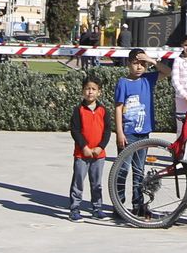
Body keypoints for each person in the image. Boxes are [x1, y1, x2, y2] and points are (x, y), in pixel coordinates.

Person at [112, 48, 170, 218]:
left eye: (142, 64)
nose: (139, 67)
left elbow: (168, 72)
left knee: (139, 171)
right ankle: (119, 203)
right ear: (129, 64)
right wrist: (119, 132)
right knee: (122, 169)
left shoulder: (148, 79)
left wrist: (151, 60)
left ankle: (138, 204)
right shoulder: (123, 82)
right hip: (128, 133)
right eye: (136, 63)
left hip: (143, 133)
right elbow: (118, 108)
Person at [68, 77, 113, 221]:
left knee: (97, 183)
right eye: (87, 89)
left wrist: (100, 147)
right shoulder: (78, 110)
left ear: (99, 92)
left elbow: (107, 131)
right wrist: (84, 147)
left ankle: (97, 208)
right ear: (83, 91)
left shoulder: (103, 110)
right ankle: (75, 209)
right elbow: (75, 130)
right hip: (82, 154)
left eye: (93, 89)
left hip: (98, 155)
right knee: (78, 182)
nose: (90, 92)